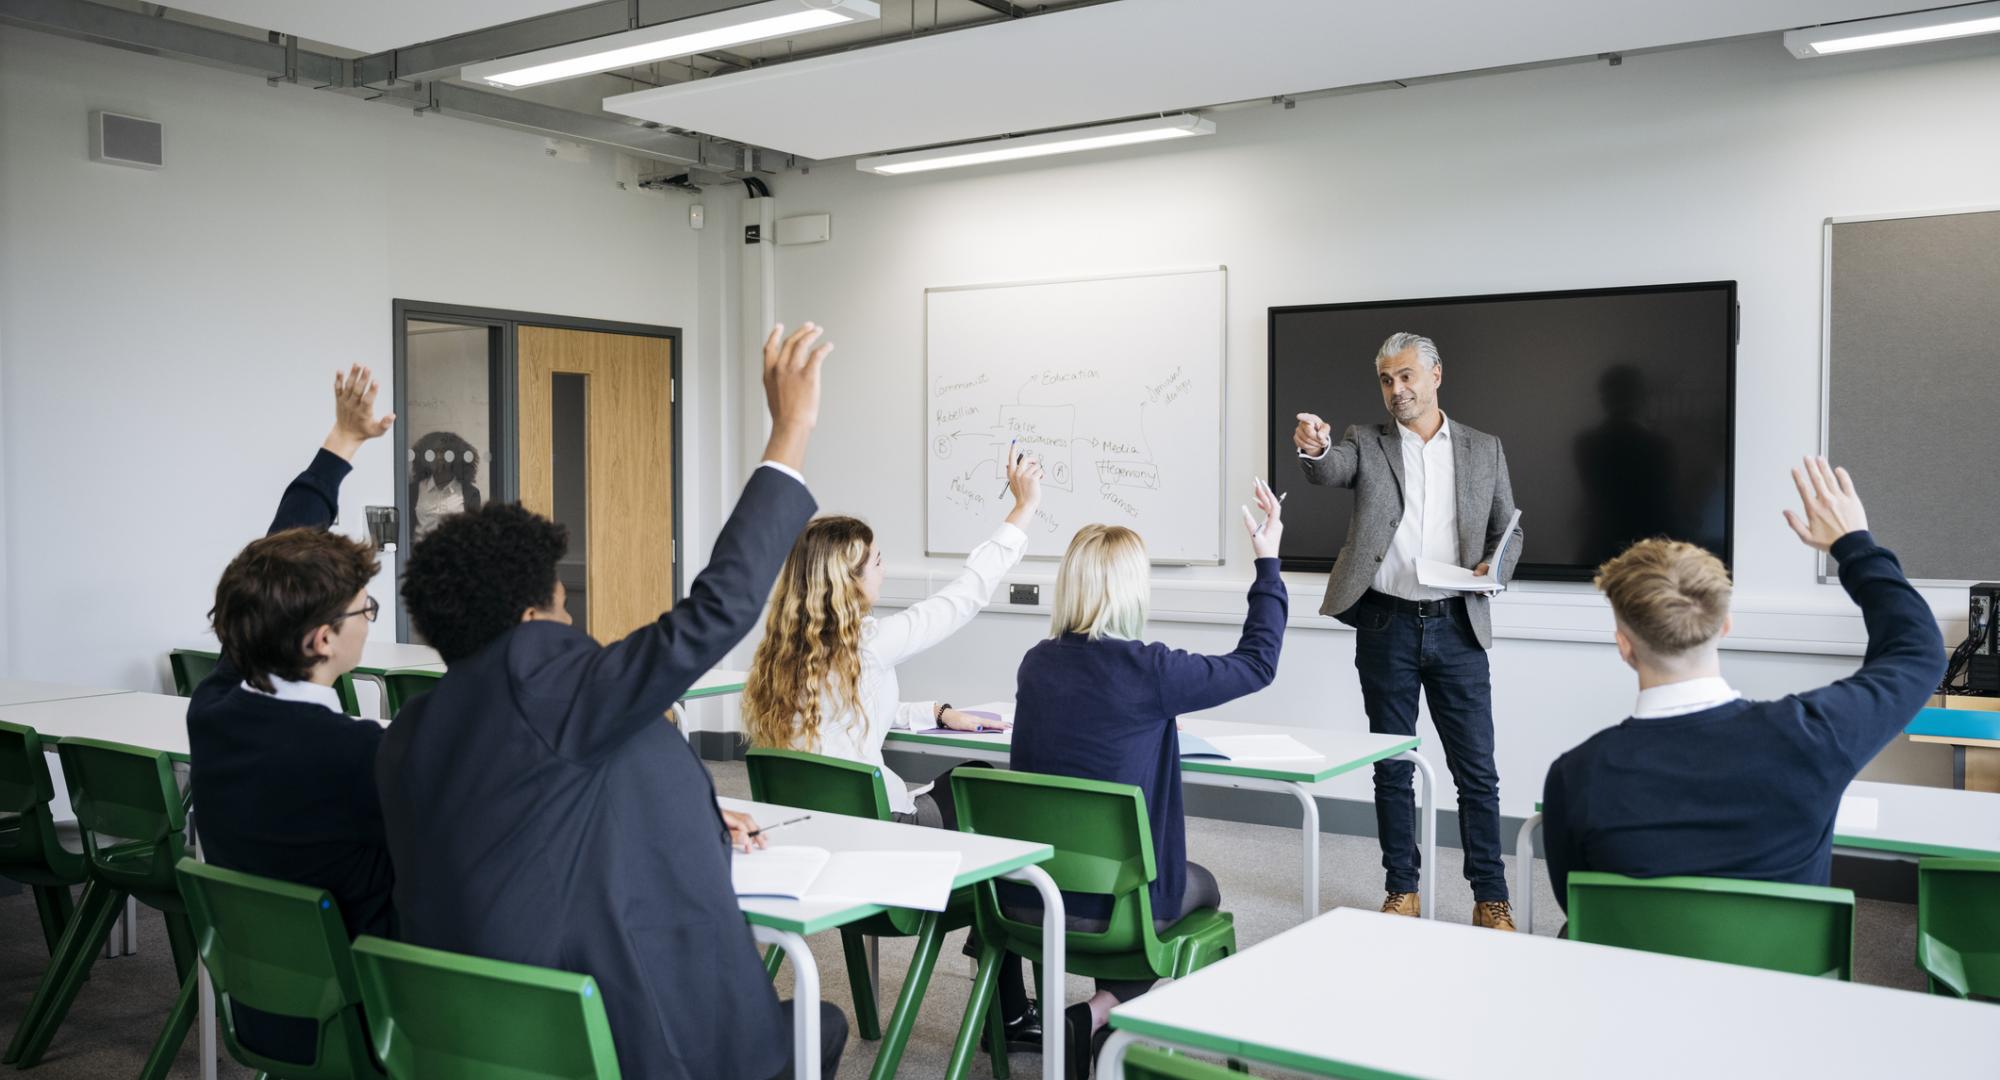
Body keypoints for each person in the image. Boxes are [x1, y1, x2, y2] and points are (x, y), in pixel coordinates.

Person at [376, 324, 844, 1080]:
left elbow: (532, 812)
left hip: (475, 1041)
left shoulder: (413, 731)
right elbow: (715, 611)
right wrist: (790, 431)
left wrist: (686, 807)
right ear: (531, 619)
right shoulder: (547, 685)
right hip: (604, 1043)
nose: (574, 627)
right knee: (815, 1026)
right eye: (565, 609)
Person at [1541, 458, 1945, 911]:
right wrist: (1854, 545)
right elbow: (1918, 651)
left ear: (1624, 646)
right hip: (1782, 981)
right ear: (1725, 625)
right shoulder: (1813, 737)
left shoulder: (1576, 777)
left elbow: (1580, 907)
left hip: (1636, 980)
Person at [1005, 480, 1286, 1078]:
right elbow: (1258, 662)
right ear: (1133, 589)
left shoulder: (1036, 662)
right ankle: (1105, 1008)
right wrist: (1267, 561)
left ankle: (1101, 1018)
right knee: (1197, 884)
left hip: (1028, 899)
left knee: (1118, 865)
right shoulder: (1150, 671)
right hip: (1114, 913)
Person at [187, 365, 397, 1064]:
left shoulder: (215, 708)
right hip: (369, 1023)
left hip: (269, 1008)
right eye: (365, 609)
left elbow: (272, 562)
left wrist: (342, 441)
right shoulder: (352, 755)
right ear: (323, 640)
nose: (370, 618)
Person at [1293, 331, 1523, 928]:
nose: (1397, 390)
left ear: (1435, 375)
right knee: (1391, 765)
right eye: (1387, 380)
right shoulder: (1364, 443)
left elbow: (1510, 528)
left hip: (1459, 626)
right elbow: (1328, 471)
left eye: (1406, 377)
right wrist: (1314, 449)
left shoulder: (1483, 449)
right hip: (1387, 624)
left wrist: (1494, 567)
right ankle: (1402, 888)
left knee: (1477, 771)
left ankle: (1489, 897)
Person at [743, 449, 1044, 828]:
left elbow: (847, 710)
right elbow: (962, 598)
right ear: (848, 582)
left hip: (806, 826)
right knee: (981, 779)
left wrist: (934, 712)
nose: (884, 572)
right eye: (878, 562)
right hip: (876, 825)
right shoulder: (868, 644)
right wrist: (1024, 507)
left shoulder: (783, 651)